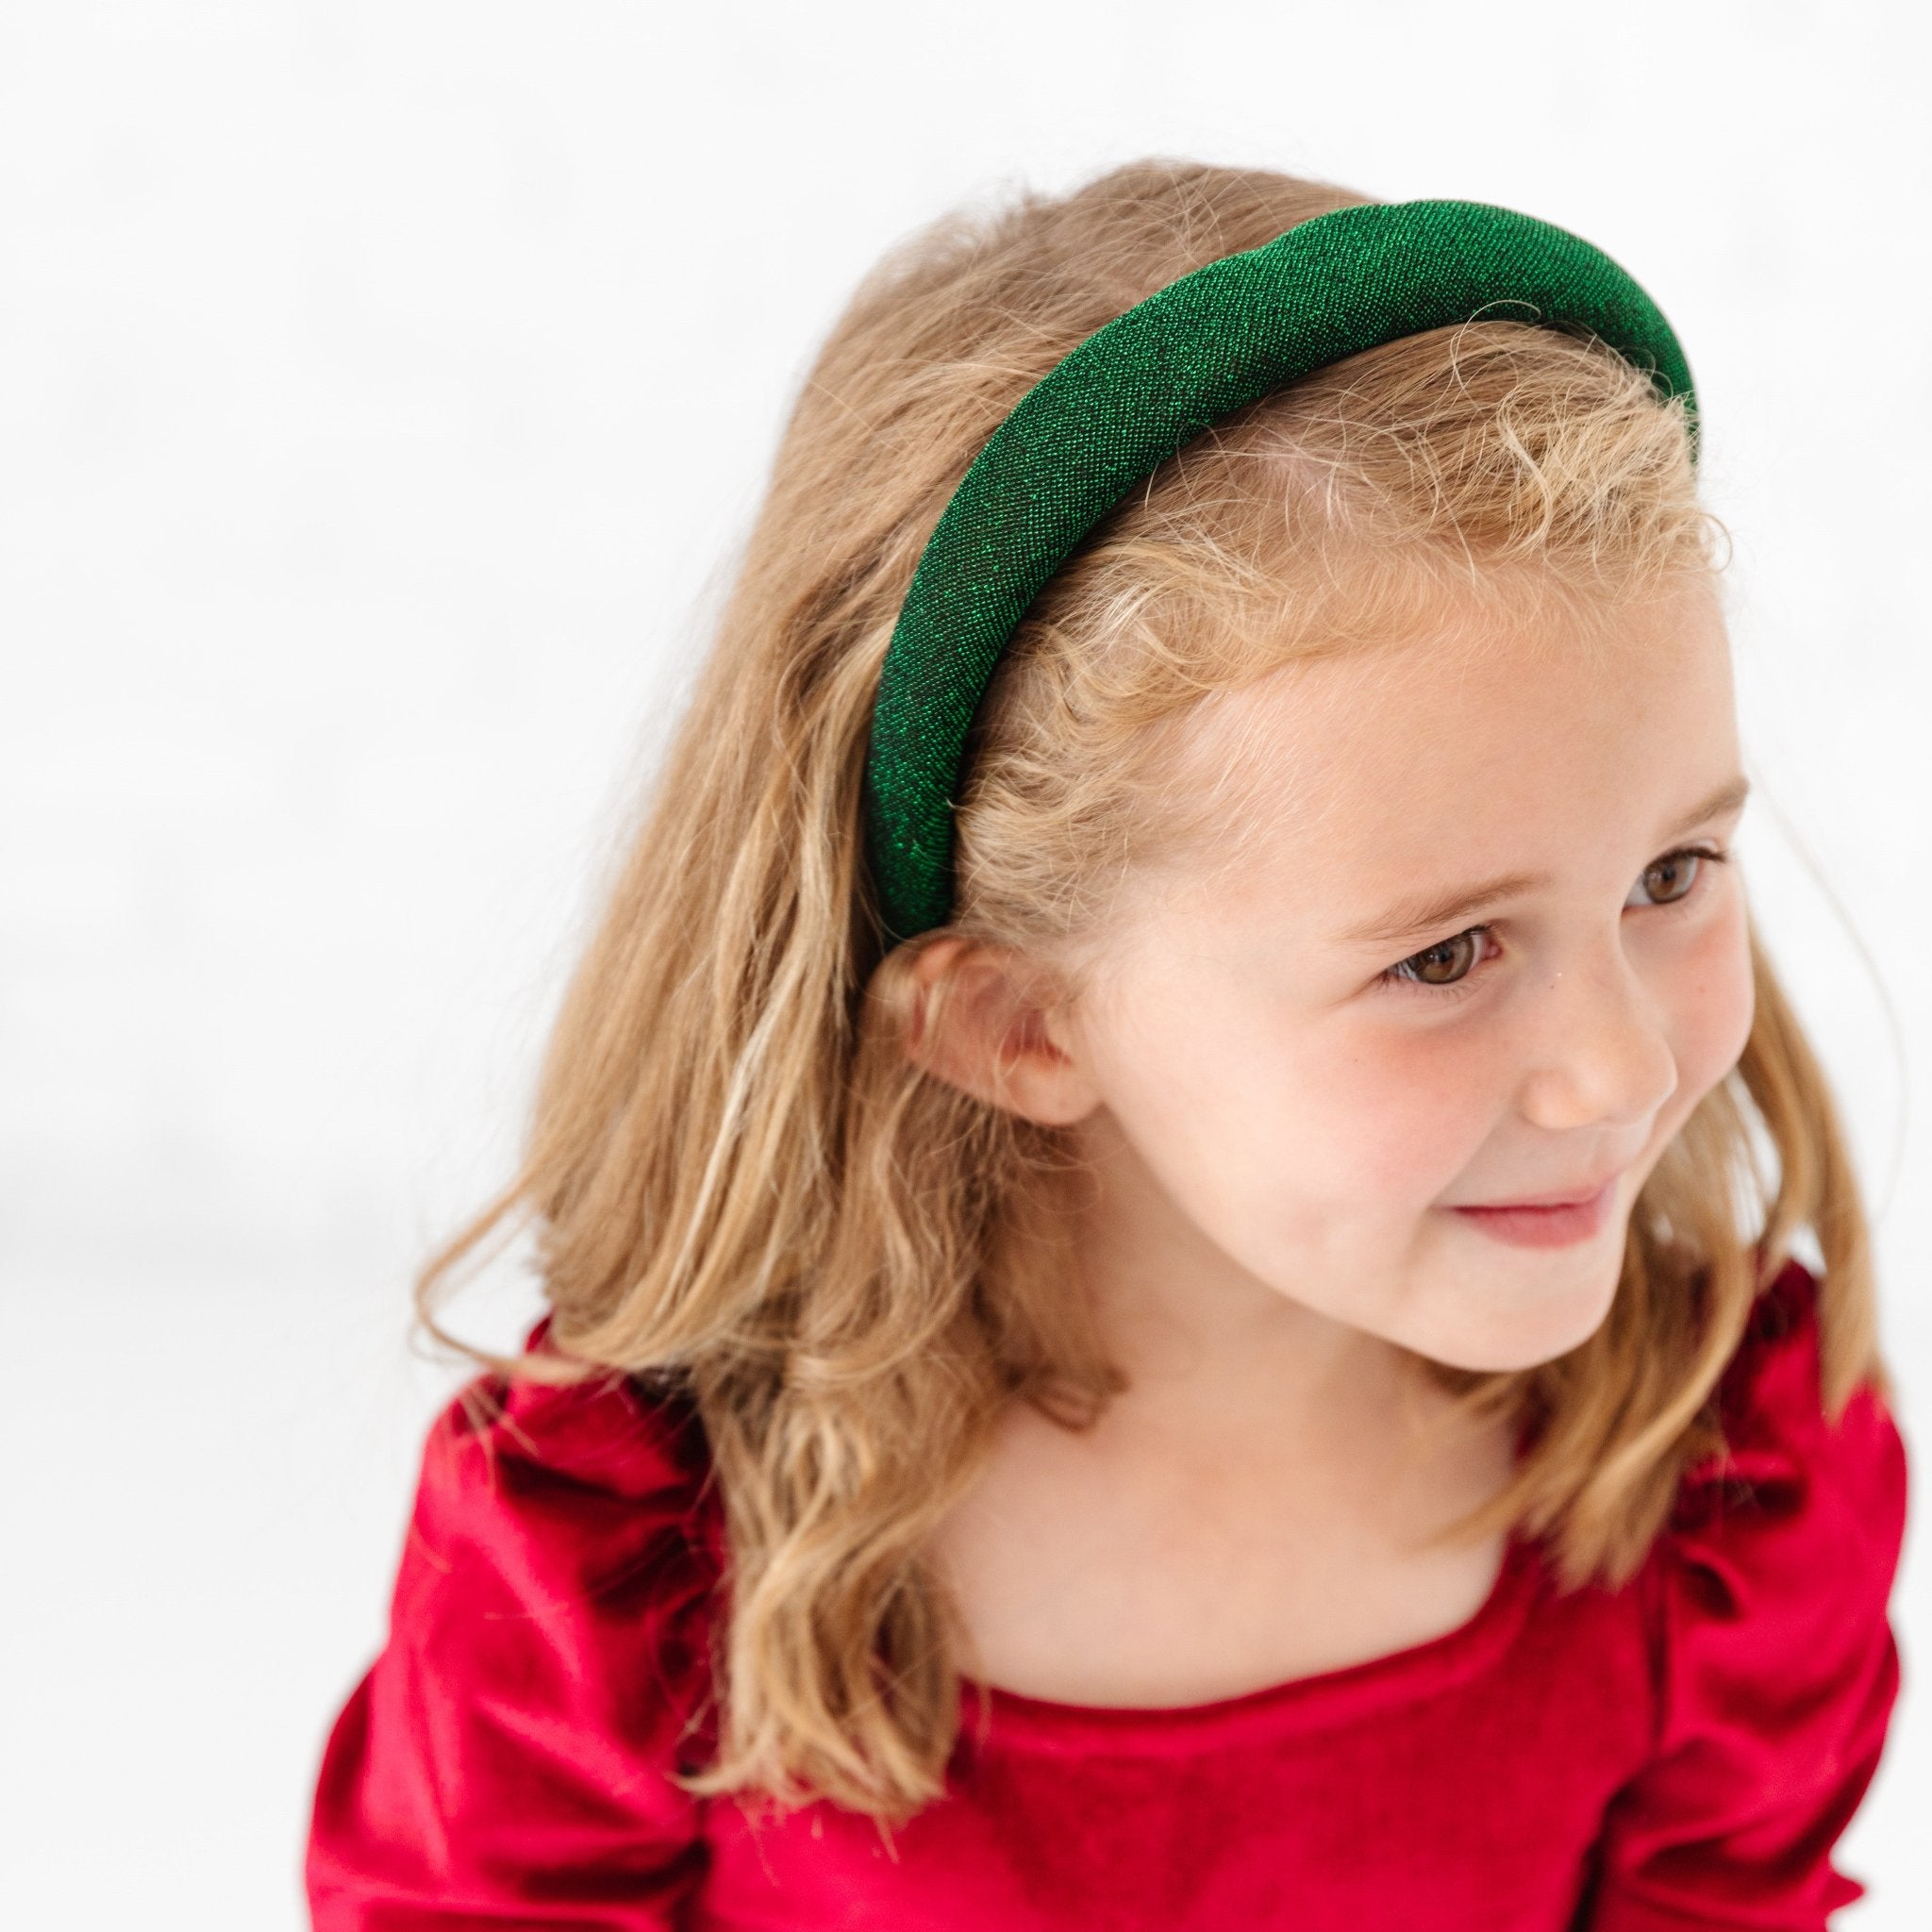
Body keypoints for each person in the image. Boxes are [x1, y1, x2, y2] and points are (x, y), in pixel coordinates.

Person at [302, 158, 1909, 1929]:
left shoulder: (1720, 1490)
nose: (1618, 1070)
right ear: (1018, 1020)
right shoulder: (628, 1566)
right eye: (1448, 952)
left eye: (1673, 871)